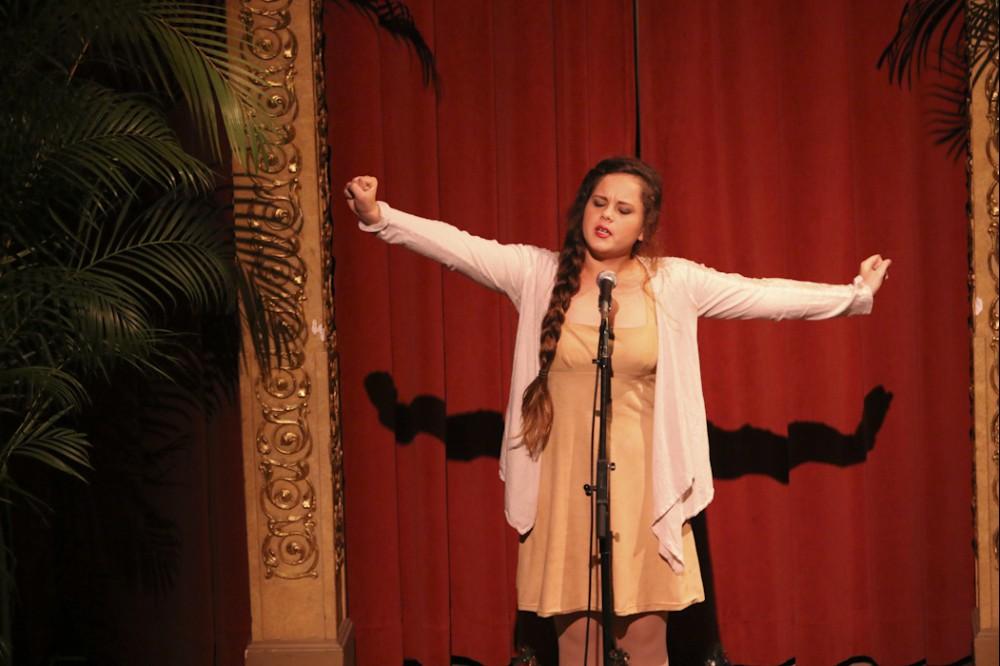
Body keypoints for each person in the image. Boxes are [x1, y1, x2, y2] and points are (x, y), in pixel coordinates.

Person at [344, 156, 890, 666]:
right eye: (599, 202)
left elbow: (763, 296)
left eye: (624, 209)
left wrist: (853, 294)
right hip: (564, 483)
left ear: (644, 227)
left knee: (644, 641)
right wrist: (379, 216)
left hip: (642, 486)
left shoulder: (673, 282)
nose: (606, 216)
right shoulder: (536, 273)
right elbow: (459, 247)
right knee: (577, 644)